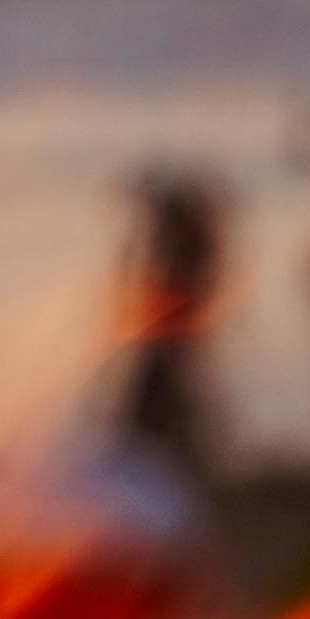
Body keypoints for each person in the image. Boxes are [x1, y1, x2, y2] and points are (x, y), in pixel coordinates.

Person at [117, 164, 227, 468]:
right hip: (168, 330)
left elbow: (174, 288)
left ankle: (157, 450)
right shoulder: (187, 245)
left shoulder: (185, 247)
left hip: (168, 331)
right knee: (170, 390)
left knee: (159, 391)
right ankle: (173, 447)